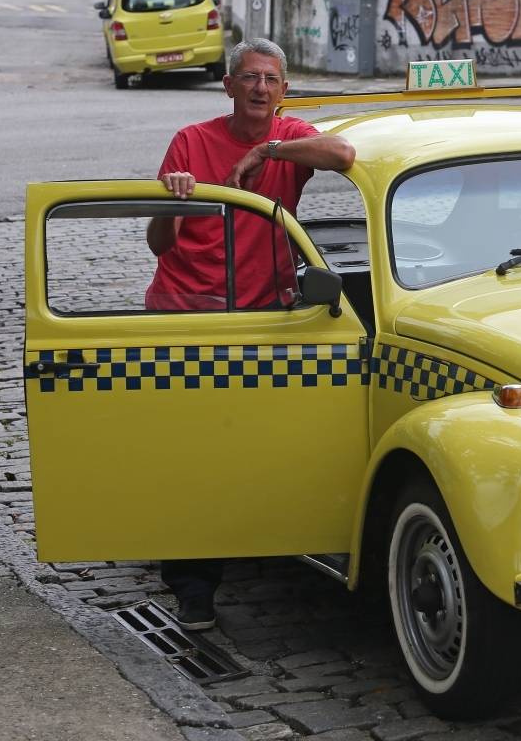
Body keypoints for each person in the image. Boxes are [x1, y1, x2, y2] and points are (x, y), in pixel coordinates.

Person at [148, 38, 355, 630]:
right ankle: (192, 587)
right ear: (228, 85)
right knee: (193, 453)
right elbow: (158, 245)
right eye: (249, 78)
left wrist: (270, 152)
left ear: (283, 91)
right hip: (187, 313)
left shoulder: (289, 137)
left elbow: (343, 154)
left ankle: (275, 544)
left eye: (271, 79)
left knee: (259, 441)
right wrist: (173, 200)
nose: (260, 88)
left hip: (263, 317)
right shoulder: (191, 140)